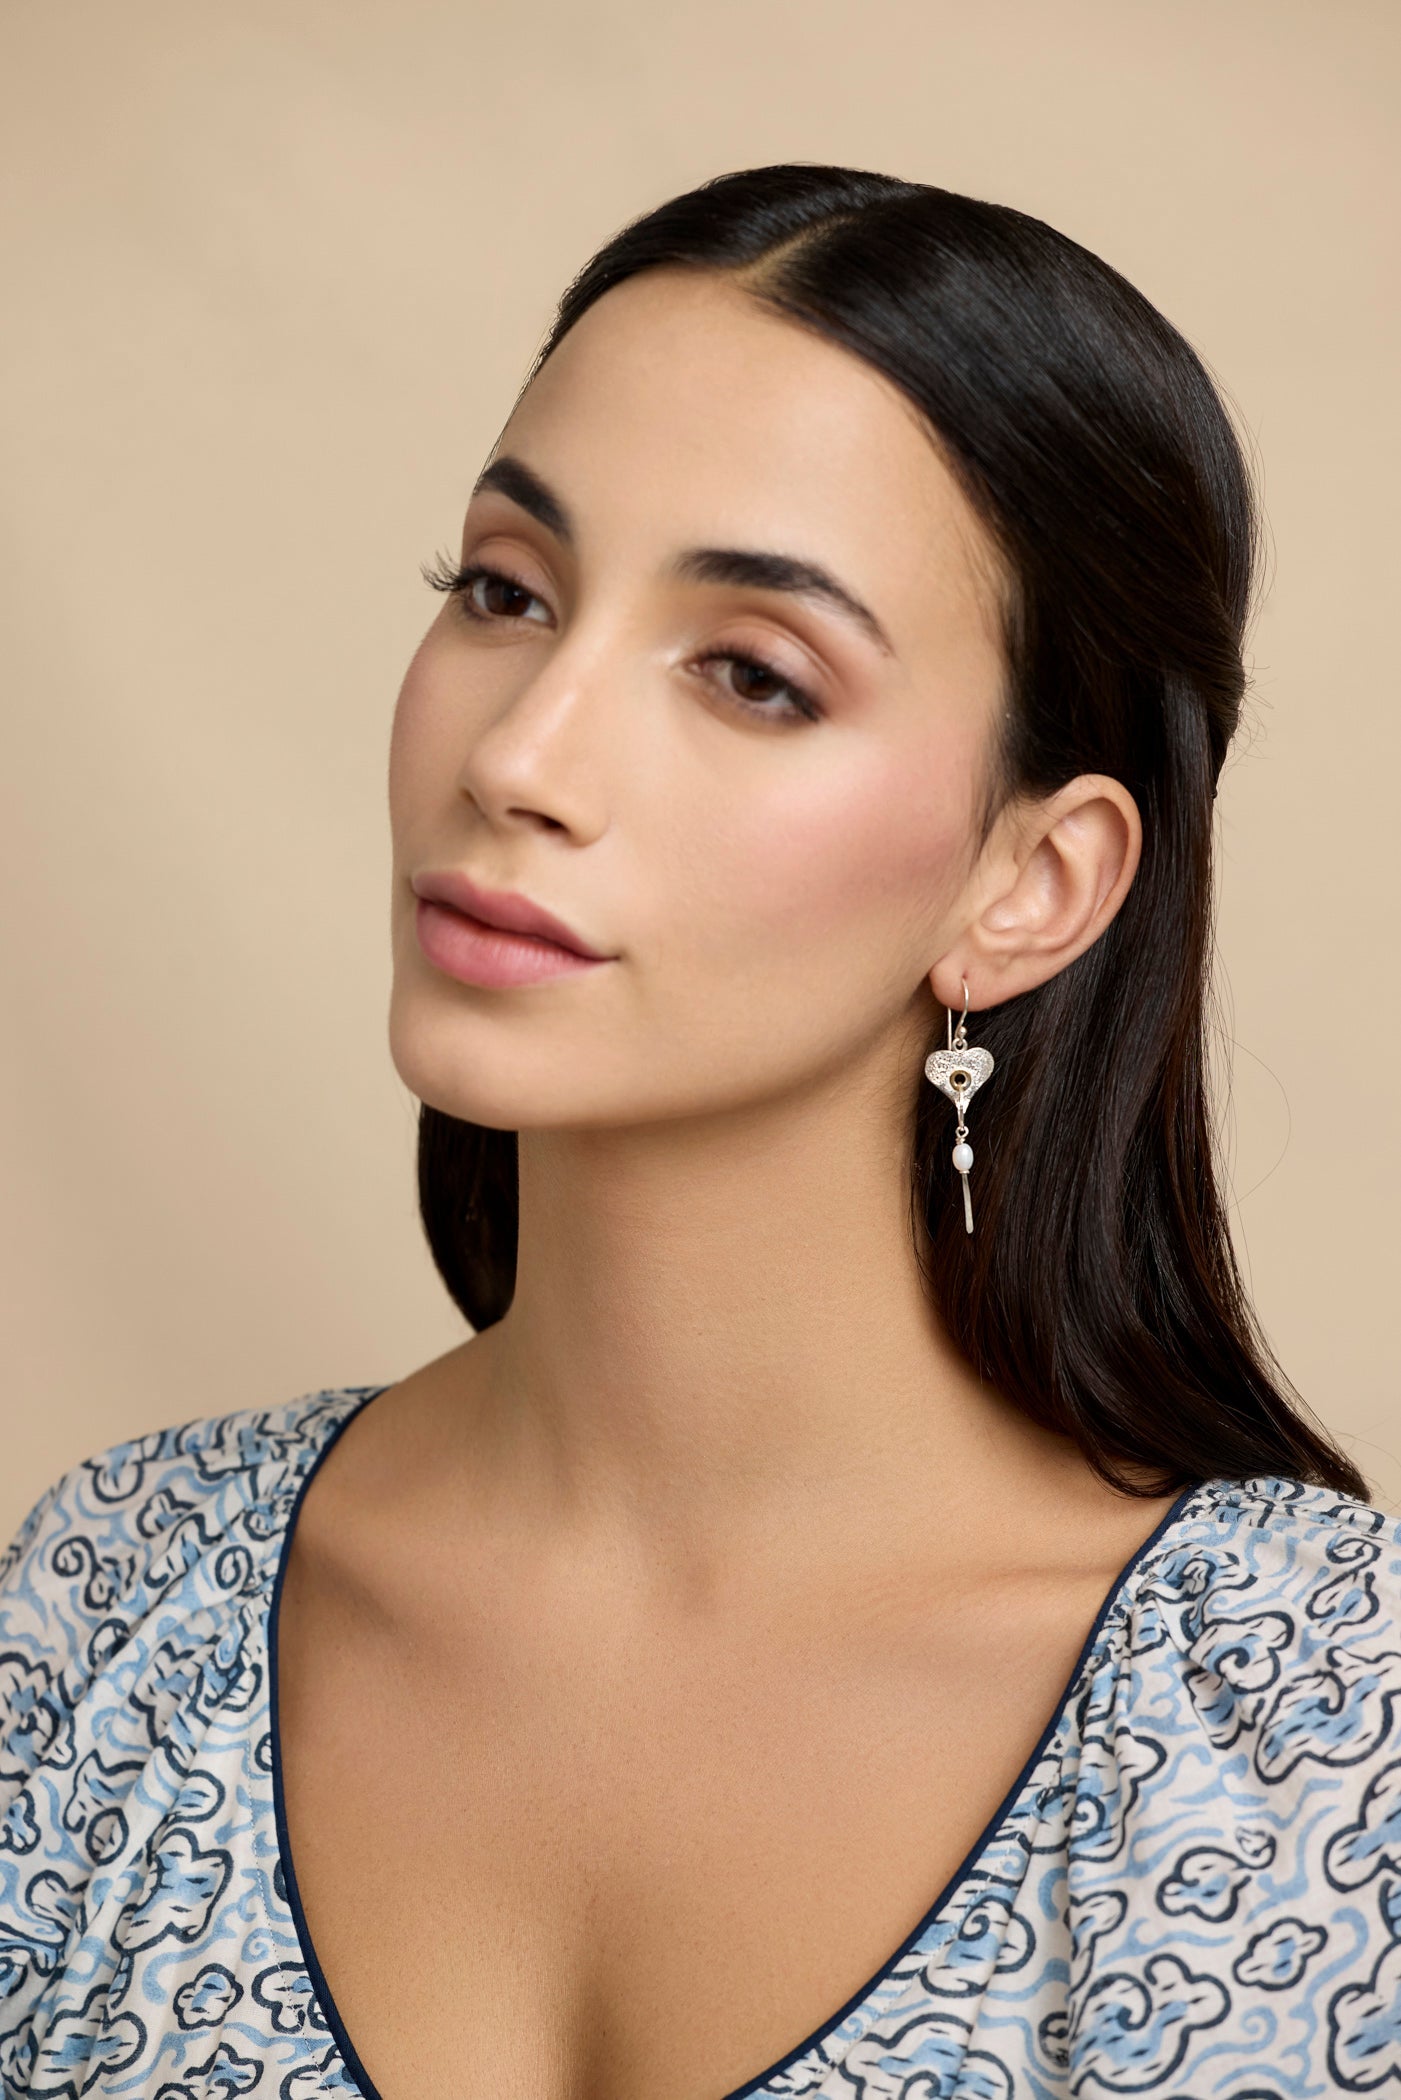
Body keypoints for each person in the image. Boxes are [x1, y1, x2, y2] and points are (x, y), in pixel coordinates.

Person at [2, 161, 1395, 2100]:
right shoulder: (117, 1607)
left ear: (1031, 883)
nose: (517, 756)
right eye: (505, 592)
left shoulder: (1296, 1721)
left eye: (751, 674)